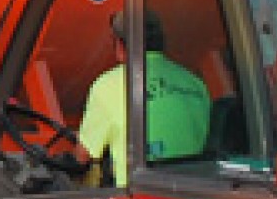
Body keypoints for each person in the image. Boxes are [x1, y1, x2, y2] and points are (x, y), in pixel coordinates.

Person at [79, 10, 211, 187]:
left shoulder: (108, 85)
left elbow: (83, 156)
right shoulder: (194, 83)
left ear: (119, 44)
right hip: (194, 192)